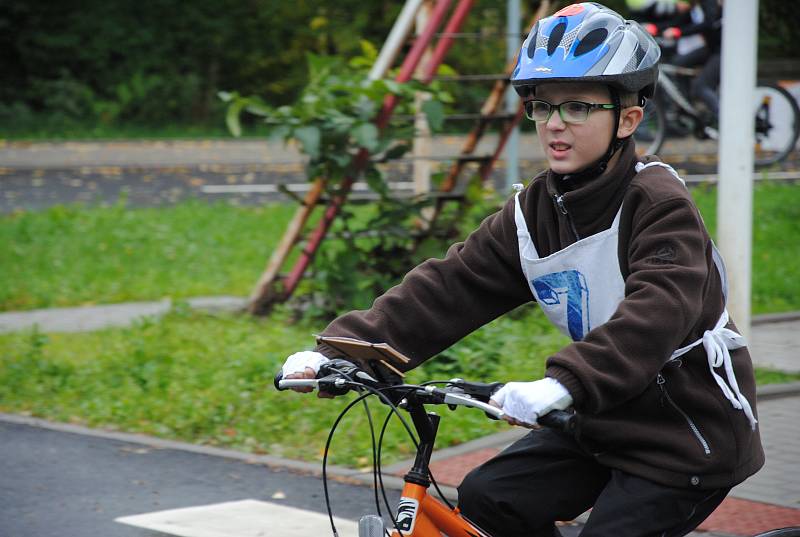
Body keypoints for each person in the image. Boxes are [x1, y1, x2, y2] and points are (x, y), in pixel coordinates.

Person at [280, 3, 764, 536]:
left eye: (578, 107)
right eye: (543, 106)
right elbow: (451, 285)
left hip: (685, 433)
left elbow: (659, 311)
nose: (555, 124)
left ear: (628, 118)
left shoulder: (658, 203)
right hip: (599, 419)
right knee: (491, 499)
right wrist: (341, 351)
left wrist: (563, 383)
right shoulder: (534, 211)